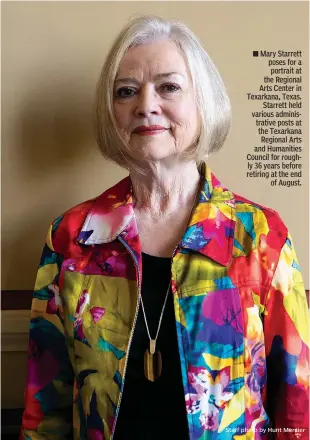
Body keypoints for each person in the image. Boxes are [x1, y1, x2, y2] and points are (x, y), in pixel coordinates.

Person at [20, 14, 309, 440]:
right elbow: (46, 407)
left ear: (202, 101)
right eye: (126, 91)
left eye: (169, 87)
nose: (145, 105)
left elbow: (296, 403)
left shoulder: (260, 237)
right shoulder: (71, 238)